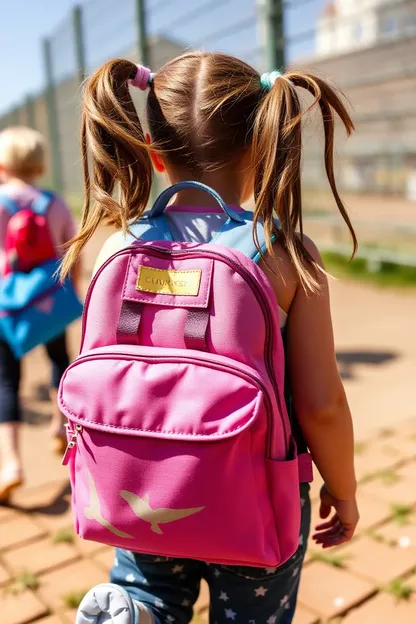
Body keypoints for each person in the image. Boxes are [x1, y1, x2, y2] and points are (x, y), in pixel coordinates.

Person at [61, 53, 359, 624]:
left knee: (152, 588)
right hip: (253, 494)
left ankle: (141, 610)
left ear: (153, 152)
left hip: (137, 489)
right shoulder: (285, 254)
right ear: (261, 145)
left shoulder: (116, 245)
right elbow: (322, 405)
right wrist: (342, 491)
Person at [0, 126, 81, 501]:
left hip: (8, 308)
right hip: (49, 303)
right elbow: (71, 253)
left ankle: (12, 463)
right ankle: (58, 421)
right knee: (59, 362)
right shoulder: (55, 203)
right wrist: (71, 292)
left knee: (6, 382)